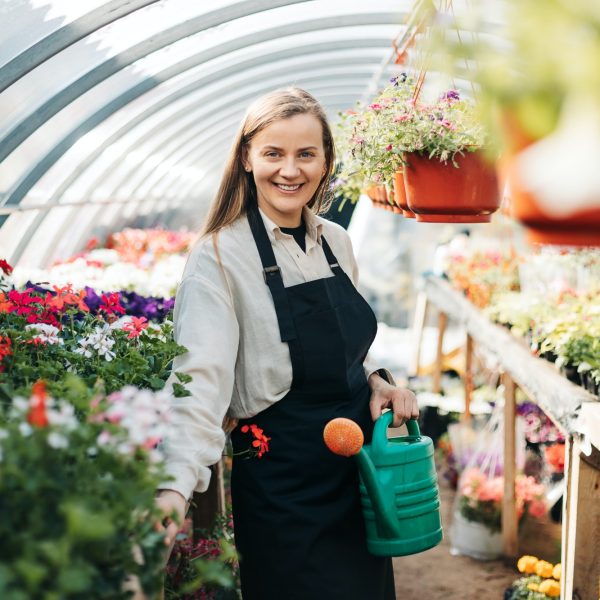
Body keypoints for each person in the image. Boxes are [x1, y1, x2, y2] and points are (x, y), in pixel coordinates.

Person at [156, 87, 419, 600]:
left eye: (306, 154)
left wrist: (377, 380)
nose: (289, 170)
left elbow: (347, 350)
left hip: (358, 473)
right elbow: (199, 382)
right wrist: (172, 489)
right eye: (273, 153)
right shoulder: (219, 257)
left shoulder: (337, 243)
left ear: (326, 163)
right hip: (284, 489)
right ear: (248, 159)